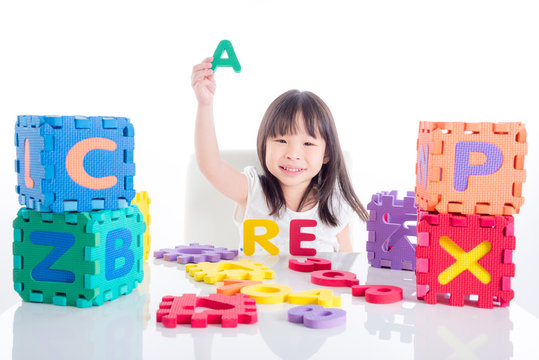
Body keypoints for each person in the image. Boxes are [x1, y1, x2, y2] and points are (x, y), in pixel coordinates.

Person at [191, 56, 368, 254]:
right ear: (264, 144)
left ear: (326, 154)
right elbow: (211, 166)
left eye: (308, 143)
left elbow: (345, 272)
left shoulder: (336, 207)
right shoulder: (252, 192)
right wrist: (204, 104)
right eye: (282, 141)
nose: (293, 154)